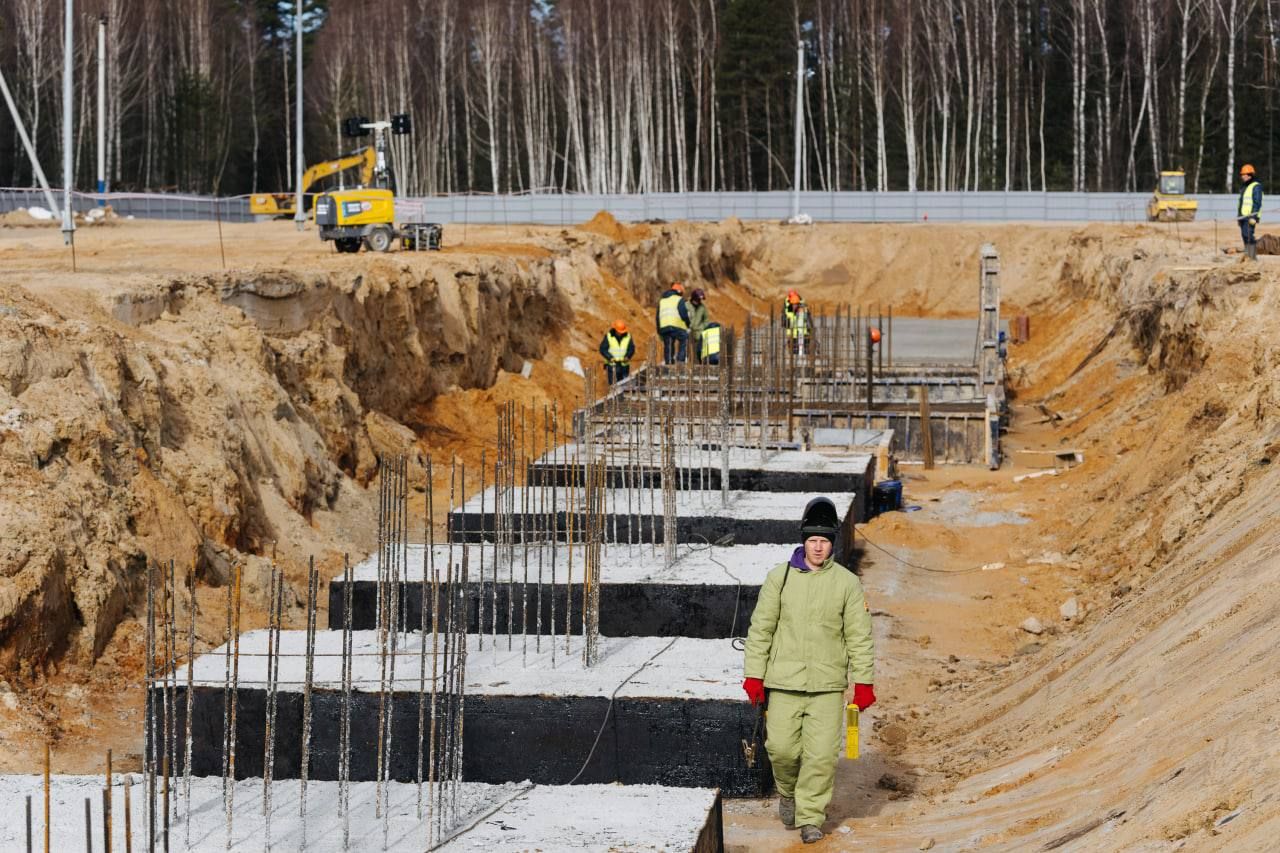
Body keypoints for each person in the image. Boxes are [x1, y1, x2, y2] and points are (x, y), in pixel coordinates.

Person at [742, 497, 875, 845]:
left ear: (833, 542)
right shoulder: (779, 579)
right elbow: (761, 630)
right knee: (782, 750)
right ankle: (788, 793)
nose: (818, 547)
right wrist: (754, 675)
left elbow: (859, 636)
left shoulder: (846, 583)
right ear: (804, 541)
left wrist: (863, 682)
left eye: (824, 540)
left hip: (827, 686)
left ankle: (811, 816)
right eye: (813, 540)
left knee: (820, 756)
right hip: (783, 682)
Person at [656, 282, 691, 364]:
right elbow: (683, 314)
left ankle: (669, 362)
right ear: (679, 291)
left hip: (664, 327)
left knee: (668, 345)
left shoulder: (662, 301)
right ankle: (680, 361)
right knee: (684, 339)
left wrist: (659, 331)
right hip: (676, 326)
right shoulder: (679, 299)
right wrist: (688, 324)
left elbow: (657, 318)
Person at [1239, 164, 1263, 261]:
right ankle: (1248, 256)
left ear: (1249, 175)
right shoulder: (1245, 187)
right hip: (1243, 217)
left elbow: (1257, 202)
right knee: (1245, 236)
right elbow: (1241, 203)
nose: (1242, 177)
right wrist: (1239, 216)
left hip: (1250, 216)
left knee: (1248, 235)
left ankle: (1252, 257)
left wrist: (1254, 216)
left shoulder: (1256, 186)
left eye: (1244, 175)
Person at [599, 319, 635, 385]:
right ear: (615, 330)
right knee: (614, 387)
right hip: (612, 366)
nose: (621, 333)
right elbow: (602, 349)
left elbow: (631, 349)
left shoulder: (628, 336)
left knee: (624, 386)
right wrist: (610, 357)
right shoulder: (609, 336)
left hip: (624, 366)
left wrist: (627, 356)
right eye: (619, 332)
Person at [688, 288, 709, 358]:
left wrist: (702, 328)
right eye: (698, 299)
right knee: (688, 353)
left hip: (699, 334)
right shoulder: (686, 306)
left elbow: (706, 320)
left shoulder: (703, 308)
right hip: (688, 333)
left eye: (700, 300)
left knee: (698, 354)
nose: (699, 301)